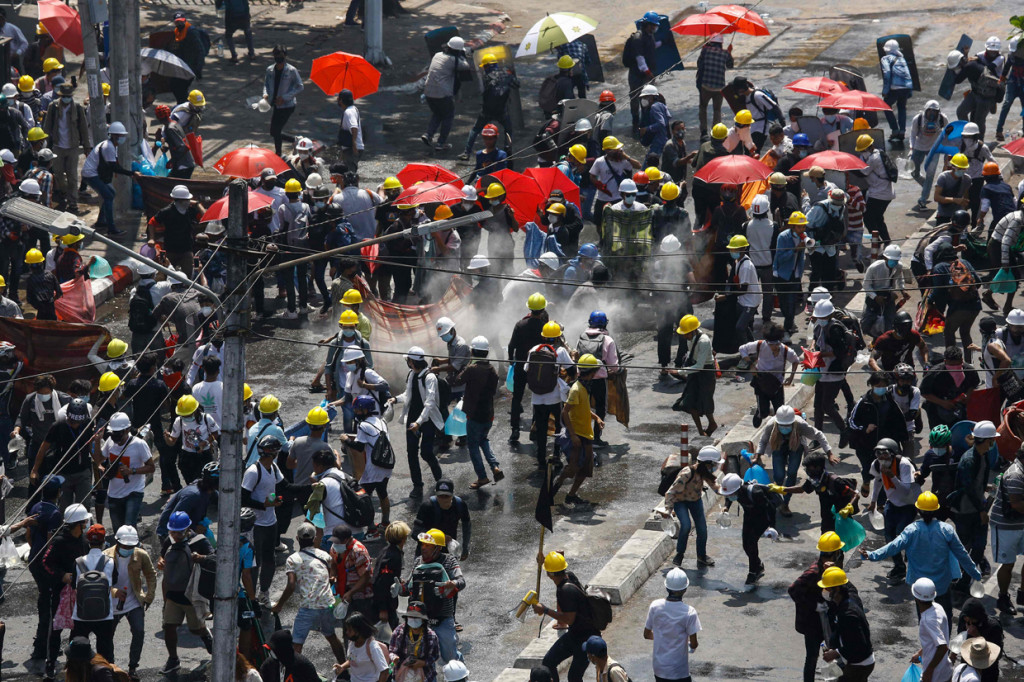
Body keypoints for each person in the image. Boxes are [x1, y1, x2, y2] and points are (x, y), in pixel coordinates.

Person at [863, 491, 982, 624]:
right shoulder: (946, 530)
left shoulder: (912, 530)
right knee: (944, 619)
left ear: (918, 510)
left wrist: (871, 555)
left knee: (925, 621)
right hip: (942, 585)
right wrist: (975, 574)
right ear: (936, 510)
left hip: (921, 589)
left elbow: (892, 547)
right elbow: (962, 555)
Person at [272, 523, 346, 662]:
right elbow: (334, 568)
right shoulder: (325, 555)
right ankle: (343, 667)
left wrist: (279, 605)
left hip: (308, 607)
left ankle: (293, 674)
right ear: (314, 538)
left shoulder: (293, 559)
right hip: (327, 604)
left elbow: (291, 585)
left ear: (297, 539)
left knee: (296, 645)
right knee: (331, 636)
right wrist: (331, 578)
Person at [158, 511, 215, 673]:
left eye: (179, 532)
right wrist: (161, 561)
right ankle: (173, 659)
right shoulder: (168, 541)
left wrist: (201, 558)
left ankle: (205, 634)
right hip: (173, 594)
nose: (175, 535)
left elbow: (215, 559)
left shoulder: (200, 541)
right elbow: (162, 557)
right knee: (169, 626)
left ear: (188, 528)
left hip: (192, 596)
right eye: (172, 531)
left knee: (195, 629)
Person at [398, 528, 464, 663]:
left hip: (442, 618)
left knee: (450, 657)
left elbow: (461, 581)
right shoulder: (418, 562)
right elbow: (409, 587)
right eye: (423, 544)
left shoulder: (449, 561)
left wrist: (452, 584)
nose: (424, 548)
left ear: (438, 548)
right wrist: (399, 589)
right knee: (421, 659)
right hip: (420, 619)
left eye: (428, 545)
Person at [533, 551, 599, 682]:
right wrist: (544, 561)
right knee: (548, 661)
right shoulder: (568, 576)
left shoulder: (565, 591)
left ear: (550, 574)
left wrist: (545, 609)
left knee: (574, 677)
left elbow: (569, 619)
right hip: (575, 634)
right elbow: (557, 567)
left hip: (586, 639)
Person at [789, 533, 847, 682]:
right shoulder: (813, 573)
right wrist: (814, 606)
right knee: (812, 658)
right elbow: (793, 590)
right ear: (834, 554)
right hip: (813, 624)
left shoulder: (831, 569)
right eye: (839, 553)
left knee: (837, 653)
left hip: (830, 620)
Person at [103, 525, 156, 681]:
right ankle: (111, 667)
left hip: (134, 602)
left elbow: (151, 575)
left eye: (131, 546)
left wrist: (149, 597)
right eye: (125, 545)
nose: (128, 548)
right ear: (118, 543)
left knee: (139, 632)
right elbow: (101, 581)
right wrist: (114, 592)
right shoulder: (106, 556)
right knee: (107, 637)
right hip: (112, 605)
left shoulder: (141, 555)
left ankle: (133, 667)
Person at [553, 354, 604, 505]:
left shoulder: (585, 388)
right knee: (573, 468)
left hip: (586, 435)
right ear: (592, 373)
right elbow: (565, 412)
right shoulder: (576, 389)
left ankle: (571, 495)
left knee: (585, 469)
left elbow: (583, 408)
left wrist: (596, 418)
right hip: (577, 435)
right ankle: (558, 482)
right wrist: (573, 436)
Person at [451, 336, 502, 487]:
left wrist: (467, 365)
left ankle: (482, 477)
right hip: (488, 414)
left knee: (473, 446)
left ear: (473, 352)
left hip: (474, 415)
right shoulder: (492, 370)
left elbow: (458, 380)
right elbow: (493, 390)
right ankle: (495, 467)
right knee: (483, 440)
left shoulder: (472, 369)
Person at [395, 346, 445, 496]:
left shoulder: (430, 377)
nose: (408, 363)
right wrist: (395, 399)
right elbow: (407, 394)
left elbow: (430, 403)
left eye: (408, 360)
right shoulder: (411, 374)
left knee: (426, 453)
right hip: (412, 418)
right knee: (411, 452)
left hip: (427, 420)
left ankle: (440, 480)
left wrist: (419, 422)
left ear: (412, 361)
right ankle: (417, 485)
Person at [338, 396, 392, 534]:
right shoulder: (381, 422)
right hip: (386, 464)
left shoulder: (363, 426)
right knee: (382, 493)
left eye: (358, 409)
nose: (356, 411)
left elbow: (359, 447)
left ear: (365, 410)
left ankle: (372, 530)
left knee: (363, 498)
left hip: (374, 468)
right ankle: (386, 522)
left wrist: (345, 440)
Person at [242, 435, 286, 603]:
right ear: (274, 453)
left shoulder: (273, 468)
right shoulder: (253, 472)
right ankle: (251, 597)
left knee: (269, 560)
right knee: (255, 563)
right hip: (256, 525)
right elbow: (243, 498)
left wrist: (308, 489)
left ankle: (264, 593)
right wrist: (264, 505)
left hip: (271, 522)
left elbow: (285, 486)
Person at [664, 445, 721, 567]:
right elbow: (671, 491)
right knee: (686, 525)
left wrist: (731, 489)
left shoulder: (704, 473)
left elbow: (716, 487)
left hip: (695, 501)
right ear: (706, 464)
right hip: (680, 502)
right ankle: (679, 554)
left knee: (702, 529)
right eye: (714, 465)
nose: (715, 468)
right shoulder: (687, 473)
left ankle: (701, 556)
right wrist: (668, 510)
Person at [953, 421, 996, 577]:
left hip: (977, 507)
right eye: (993, 439)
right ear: (987, 440)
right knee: (965, 546)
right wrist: (981, 511)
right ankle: (959, 576)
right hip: (966, 510)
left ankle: (965, 576)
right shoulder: (969, 460)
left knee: (978, 546)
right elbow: (969, 489)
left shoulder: (982, 455)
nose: (994, 442)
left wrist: (986, 487)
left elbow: (976, 482)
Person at [40, 81, 89, 214]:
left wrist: (86, 147)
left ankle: (73, 202)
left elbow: (83, 128)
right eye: (64, 96)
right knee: (58, 175)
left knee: (73, 176)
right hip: (57, 146)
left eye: (69, 96)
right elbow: (47, 126)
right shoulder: (53, 107)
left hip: (72, 147)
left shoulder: (78, 108)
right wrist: (45, 143)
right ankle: (64, 192)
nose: (67, 99)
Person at [643, 567, 700, 682]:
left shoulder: (655, 606)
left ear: (666, 587)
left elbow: (646, 634)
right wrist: (688, 645)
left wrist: (662, 637)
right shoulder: (690, 612)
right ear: (685, 589)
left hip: (659, 669)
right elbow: (694, 644)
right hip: (679, 671)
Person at [100, 412, 155, 530]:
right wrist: (95, 441)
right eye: (113, 432)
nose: (115, 436)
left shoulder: (139, 444)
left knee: (129, 528)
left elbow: (151, 467)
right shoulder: (110, 441)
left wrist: (132, 471)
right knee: (117, 530)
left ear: (127, 430)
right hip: (114, 493)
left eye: (118, 433)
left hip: (133, 492)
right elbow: (99, 459)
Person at [508, 293, 550, 443]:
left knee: (516, 397)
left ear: (530, 309)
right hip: (537, 368)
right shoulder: (544, 327)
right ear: (543, 308)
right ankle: (534, 429)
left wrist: (511, 361)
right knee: (537, 398)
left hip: (520, 366)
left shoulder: (520, 325)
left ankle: (515, 430)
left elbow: (511, 345)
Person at [719, 473, 775, 585]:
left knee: (752, 542)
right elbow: (728, 496)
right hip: (749, 516)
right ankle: (757, 564)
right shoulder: (734, 491)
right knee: (745, 545)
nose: (730, 496)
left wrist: (772, 527)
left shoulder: (755, 492)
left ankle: (753, 572)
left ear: (738, 489)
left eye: (731, 493)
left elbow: (770, 509)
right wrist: (726, 506)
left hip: (762, 519)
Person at [460, 53, 518, 161]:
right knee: (508, 130)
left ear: (488, 66)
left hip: (487, 110)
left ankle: (466, 153)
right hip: (502, 111)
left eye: (485, 66)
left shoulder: (485, 77)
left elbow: (479, 92)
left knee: (475, 130)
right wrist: (511, 74)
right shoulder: (506, 74)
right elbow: (516, 85)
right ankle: (507, 151)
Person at [819, 567, 874, 681]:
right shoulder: (850, 597)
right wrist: (833, 569)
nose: (825, 591)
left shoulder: (848, 615)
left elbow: (859, 646)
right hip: (860, 662)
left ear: (837, 589)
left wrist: (836, 653)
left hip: (859, 665)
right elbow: (850, 586)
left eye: (827, 588)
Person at [669, 315, 717, 436]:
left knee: (705, 401)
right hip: (694, 371)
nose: (684, 336)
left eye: (686, 333)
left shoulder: (704, 341)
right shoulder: (690, 339)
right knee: (689, 403)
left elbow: (700, 365)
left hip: (705, 373)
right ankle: (701, 432)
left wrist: (680, 372)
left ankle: (712, 423)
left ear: (693, 330)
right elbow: (692, 355)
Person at [990, 450, 1024, 614]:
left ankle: (1023, 594)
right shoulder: (1015, 475)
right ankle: (1003, 597)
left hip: (1021, 522)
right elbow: (1016, 503)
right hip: (1006, 525)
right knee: (1008, 564)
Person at [421, 37, 469, 152]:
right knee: (448, 116)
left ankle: (428, 134)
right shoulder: (454, 61)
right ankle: (441, 143)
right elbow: (466, 66)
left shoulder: (437, 55)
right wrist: (463, 55)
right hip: (442, 94)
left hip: (428, 92)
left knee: (437, 113)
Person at [164, 394, 219, 486]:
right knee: (191, 484)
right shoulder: (179, 421)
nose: (185, 417)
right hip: (187, 457)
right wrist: (166, 438)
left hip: (204, 456)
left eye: (187, 414)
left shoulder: (206, 418)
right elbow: (172, 442)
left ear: (195, 410)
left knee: (206, 484)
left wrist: (205, 442)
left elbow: (215, 434)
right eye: (183, 415)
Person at [920, 345, 980, 428]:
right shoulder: (934, 373)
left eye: (957, 365)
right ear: (945, 361)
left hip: (960, 410)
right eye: (951, 366)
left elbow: (973, 384)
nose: (955, 368)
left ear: (962, 360)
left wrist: (968, 396)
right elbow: (924, 392)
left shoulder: (969, 371)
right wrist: (943, 403)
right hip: (936, 411)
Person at [147, 184, 203, 274]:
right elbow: (152, 223)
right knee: (164, 275)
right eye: (186, 200)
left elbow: (205, 217)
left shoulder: (190, 211)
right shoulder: (166, 211)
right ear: (179, 200)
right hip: (170, 249)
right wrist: (152, 238)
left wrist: (198, 204)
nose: (188, 202)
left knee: (189, 275)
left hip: (186, 249)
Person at [261, 45, 303, 156]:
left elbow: (300, 86)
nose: (279, 58)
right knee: (273, 131)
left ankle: (278, 153)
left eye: (281, 56)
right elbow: (266, 84)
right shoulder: (270, 70)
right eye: (276, 56)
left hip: (288, 106)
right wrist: (265, 94)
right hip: (275, 104)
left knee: (277, 130)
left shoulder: (291, 70)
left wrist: (285, 98)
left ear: (285, 56)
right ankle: (294, 140)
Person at [909, 578, 953, 682]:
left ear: (916, 598)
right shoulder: (938, 607)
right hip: (945, 670)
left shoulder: (927, 620)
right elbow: (934, 641)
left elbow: (942, 647)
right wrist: (920, 653)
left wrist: (929, 671)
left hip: (935, 676)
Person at [948, 49, 999, 140]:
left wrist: (951, 71)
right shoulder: (971, 62)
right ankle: (968, 133)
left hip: (986, 98)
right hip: (975, 93)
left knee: (979, 121)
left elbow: (957, 80)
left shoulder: (968, 67)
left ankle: (979, 141)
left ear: (960, 62)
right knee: (961, 111)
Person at [854, 134, 895, 244]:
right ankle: (885, 241)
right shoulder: (877, 153)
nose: (862, 152)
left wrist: (849, 167)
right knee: (877, 219)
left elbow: (863, 173)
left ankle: (877, 241)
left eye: (863, 150)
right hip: (882, 192)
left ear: (868, 148)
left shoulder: (874, 158)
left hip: (880, 193)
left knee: (868, 218)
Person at [772, 211, 808, 333]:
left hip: (795, 275)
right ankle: (789, 322)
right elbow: (780, 258)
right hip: (782, 274)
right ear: (792, 226)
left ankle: (787, 328)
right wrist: (795, 250)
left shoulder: (804, 236)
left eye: (803, 226)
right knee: (783, 304)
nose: (802, 229)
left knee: (792, 303)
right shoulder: (783, 237)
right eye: (799, 227)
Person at [910, 100, 949, 210]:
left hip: (934, 149)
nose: (932, 114)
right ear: (925, 110)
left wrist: (947, 151)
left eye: (935, 112)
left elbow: (948, 134)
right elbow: (912, 135)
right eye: (930, 111)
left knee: (930, 174)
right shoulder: (918, 119)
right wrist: (911, 148)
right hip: (919, 147)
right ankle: (926, 185)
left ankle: (923, 199)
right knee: (913, 172)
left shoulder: (942, 119)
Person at [389, 602, 441, 682]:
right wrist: (394, 658)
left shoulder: (432, 636)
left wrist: (423, 663)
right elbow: (392, 651)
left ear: (423, 619)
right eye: (411, 617)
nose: (413, 620)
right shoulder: (398, 632)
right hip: (402, 674)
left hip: (426, 675)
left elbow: (435, 656)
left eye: (417, 618)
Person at [373, 521, 410, 628]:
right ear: (403, 538)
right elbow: (381, 582)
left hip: (386, 601)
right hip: (386, 604)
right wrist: (383, 609)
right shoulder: (393, 557)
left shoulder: (387, 550)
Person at [695, 35, 733, 137]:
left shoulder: (705, 51)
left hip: (706, 86)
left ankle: (703, 131)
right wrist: (729, 52)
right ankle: (715, 132)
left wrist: (703, 50)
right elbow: (730, 65)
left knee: (703, 107)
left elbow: (699, 64)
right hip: (720, 88)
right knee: (717, 110)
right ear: (721, 43)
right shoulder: (725, 53)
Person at [334, 612, 390, 682]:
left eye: (350, 630)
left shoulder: (373, 648)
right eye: (347, 629)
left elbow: (384, 671)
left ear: (359, 631)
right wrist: (342, 667)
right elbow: (352, 659)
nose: (347, 632)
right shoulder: (352, 642)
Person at [956, 602, 1003, 682]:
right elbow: (960, 637)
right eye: (967, 620)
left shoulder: (993, 627)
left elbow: (997, 654)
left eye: (972, 620)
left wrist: (977, 636)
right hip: (968, 664)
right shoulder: (964, 618)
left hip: (987, 671)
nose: (969, 623)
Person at [880, 39, 914, 143]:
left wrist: (885, 90)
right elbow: (908, 74)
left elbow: (887, 73)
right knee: (901, 107)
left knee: (886, 106)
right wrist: (910, 91)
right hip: (906, 87)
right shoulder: (902, 59)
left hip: (895, 88)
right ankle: (902, 132)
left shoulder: (885, 59)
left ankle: (895, 130)